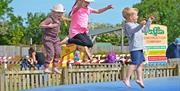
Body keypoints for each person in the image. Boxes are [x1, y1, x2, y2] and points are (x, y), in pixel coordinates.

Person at [122, 7, 154, 88]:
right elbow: (133, 30)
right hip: (134, 48)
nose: (137, 17)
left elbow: (145, 30)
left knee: (140, 64)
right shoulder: (128, 25)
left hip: (140, 47)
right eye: (136, 15)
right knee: (134, 63)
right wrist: (140, 25)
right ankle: (126, 79)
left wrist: (149, 21)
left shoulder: (136, 25)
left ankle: (139, 79)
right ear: (130, 17)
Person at [39, 3, 66, 73]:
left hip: (56, 38)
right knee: (51, 53)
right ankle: (46, 67)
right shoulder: (50, 19)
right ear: (53, 12)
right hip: (48, 38)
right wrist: (49, 26)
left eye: (61, 13)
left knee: (58, 52)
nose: (60, 14)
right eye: (58, 13)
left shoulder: (59, 19)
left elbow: (67, 18)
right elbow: (41, 25)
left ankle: (54, 67)